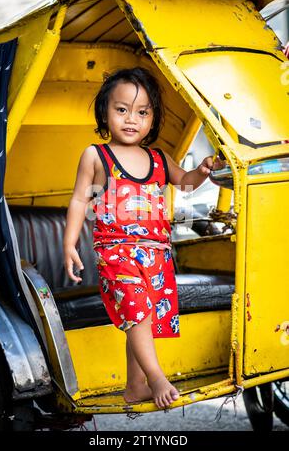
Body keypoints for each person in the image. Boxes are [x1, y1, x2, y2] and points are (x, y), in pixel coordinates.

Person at [63, 67, 225, 409]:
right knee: (137, 311)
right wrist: (69, 245)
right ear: (105, 111)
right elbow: (80, 199)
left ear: (153, 118)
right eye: (121, 110)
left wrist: (204, 170)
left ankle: (135, 385)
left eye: (142, 112)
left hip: (157, 255)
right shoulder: (96, 156)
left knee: (146, 319)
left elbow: (184, 183)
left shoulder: (159, 158)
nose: (131, 119)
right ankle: (156, 377)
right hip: (116, 252)